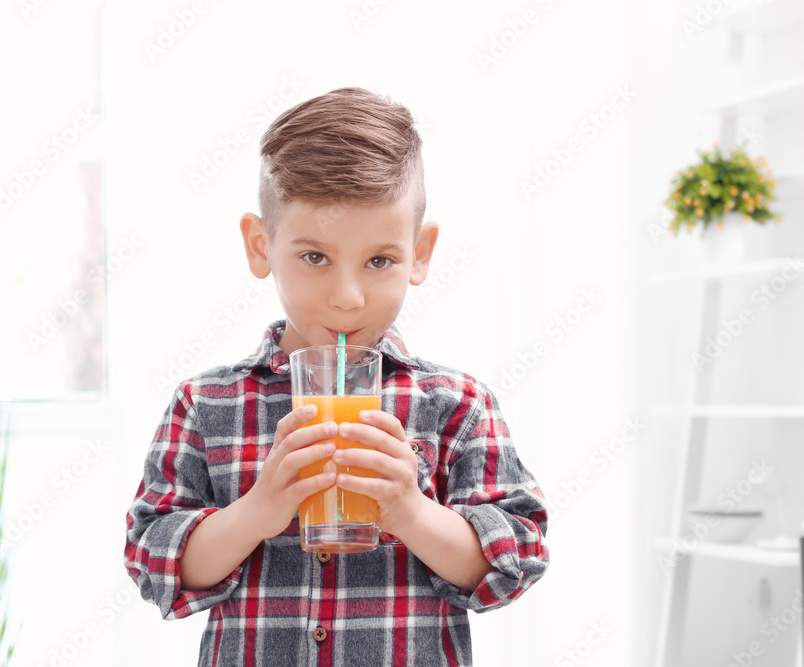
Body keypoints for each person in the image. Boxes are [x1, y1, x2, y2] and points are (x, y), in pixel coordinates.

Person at [124, 86, 549, 666]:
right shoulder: (206, 404)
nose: (347, 298)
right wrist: (258, 510)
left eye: (379, 261)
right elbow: (153, 560)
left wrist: (412, 511)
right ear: (260, 246)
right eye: (315, 257)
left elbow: (517, 557)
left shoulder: (457, 405)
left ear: (419, 254)